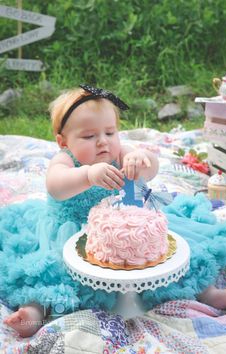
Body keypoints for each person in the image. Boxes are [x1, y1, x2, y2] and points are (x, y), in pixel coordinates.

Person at [1, 84, 158, 337]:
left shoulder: (122, 155)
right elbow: (56, 186)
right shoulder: (65, 160)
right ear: (63, 142)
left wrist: (141, 159)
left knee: (166, 254)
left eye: (110, 132)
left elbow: (150, 169)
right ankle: (32, 312)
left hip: (119, 237)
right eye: (88, 137)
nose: (103, 142)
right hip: (68, 233)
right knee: (49, 272)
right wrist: (87, 174)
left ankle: (206, 293)